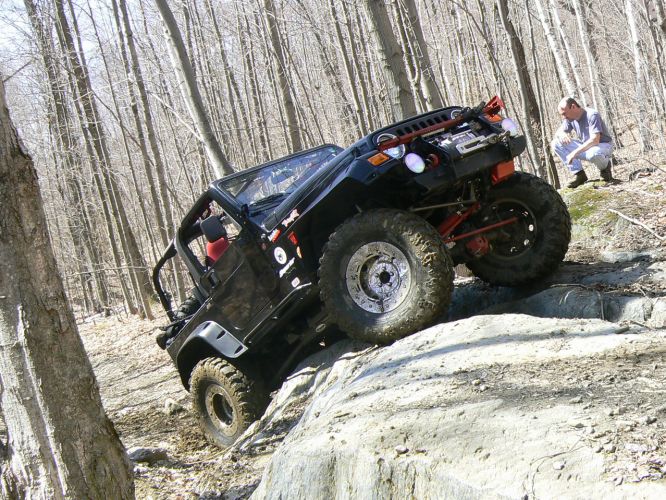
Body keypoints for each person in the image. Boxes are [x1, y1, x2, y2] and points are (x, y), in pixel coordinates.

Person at [551, 97, 615, 188]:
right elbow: (558, 132)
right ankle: (579, 175)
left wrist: (574, 153)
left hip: (603, 146)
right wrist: (562, 134)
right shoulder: (570, 119)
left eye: (564, 113)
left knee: (594, 153)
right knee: (556, 143)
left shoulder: (592, 114)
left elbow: (595, 140)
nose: (564, 117)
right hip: (588, 147)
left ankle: (605, 170)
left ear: (573, 107)